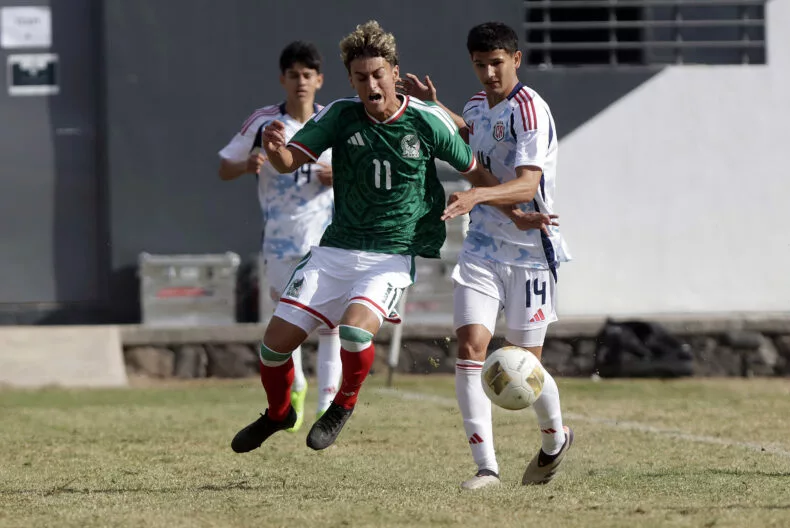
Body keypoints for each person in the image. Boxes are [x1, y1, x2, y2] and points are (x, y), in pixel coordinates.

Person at [230, 20, 550, 454]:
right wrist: (272, 149)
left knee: (355, 334)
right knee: (272, 349)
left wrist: (516, 213)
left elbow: (478, 174)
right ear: (351, 80)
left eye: (378, 74)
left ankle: (343, 404)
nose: (371, 84)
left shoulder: (427, 121)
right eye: (361, 78)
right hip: (335, 250)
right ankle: (278, 413)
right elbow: (288, 162)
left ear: (395, 73)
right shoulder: (340, 115)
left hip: (391, 255)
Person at [402, 21, 573, 489]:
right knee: (472, 349)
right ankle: (486, 469)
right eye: (480, 65)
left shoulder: (531, 110)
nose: (489, 73)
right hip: (481, 246)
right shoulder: (479, 104)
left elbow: (527, 183)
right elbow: (470, 129)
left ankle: (556, 437)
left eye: (496, 63)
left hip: (530, 252)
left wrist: (476, 197)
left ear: (516, 59)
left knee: (523, 367)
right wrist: (432, 104)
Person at [218, 41, 342, 432]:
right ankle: (299, 389)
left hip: (326, 238)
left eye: (308, 75)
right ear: (282, 79)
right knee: (284, 322)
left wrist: (338, 175)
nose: (301, 82)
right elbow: (224, 166)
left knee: (330, 324)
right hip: (280, 239)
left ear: (319, 80)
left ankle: (326, 407)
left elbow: (359, 171)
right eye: (294, 75)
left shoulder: (334, 120)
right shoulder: (264, 122)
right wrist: (246, 164)